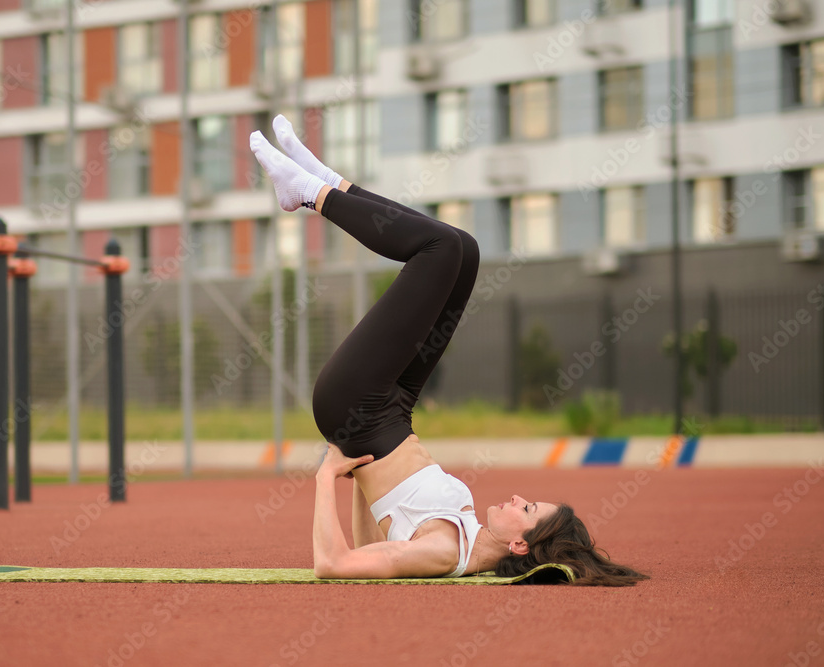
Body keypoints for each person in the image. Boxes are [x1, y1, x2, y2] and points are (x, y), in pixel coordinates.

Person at [250, 116, 648, 586]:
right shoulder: (467, 529)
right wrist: (360, 479)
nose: (519, 497)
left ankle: (311, 193)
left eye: (527, 508)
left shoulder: (444, 551)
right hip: (391, 413)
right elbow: (372, 546)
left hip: (358, 406)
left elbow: (334, 565)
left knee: (438, 250)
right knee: (465, 250)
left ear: (521, 544)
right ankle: (331, 183)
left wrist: (325, 477)